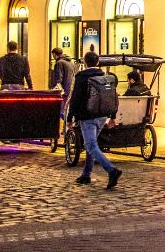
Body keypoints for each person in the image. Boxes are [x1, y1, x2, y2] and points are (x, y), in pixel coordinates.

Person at [67, 50, 122, 189]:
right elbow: (113, 98)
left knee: (90, 146)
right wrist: (113, 117)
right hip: (102, 116)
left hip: (88, 117)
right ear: (97, 62)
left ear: (85, 62)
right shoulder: (104, 76)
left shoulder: (81, 77)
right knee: (92, 145)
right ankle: (86, 175)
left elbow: (75, 99)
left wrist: (69, 117)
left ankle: (112, 170)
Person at [49, 47, 77, 118]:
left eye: (53, 55)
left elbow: (59, 78)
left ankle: (65, 126)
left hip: (63, 90)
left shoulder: (59, 63)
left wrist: (56, 89)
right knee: (66, 109)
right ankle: (67, 125)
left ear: (55, 54)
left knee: (60, 110)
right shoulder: (70, 62)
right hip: (70, 89)